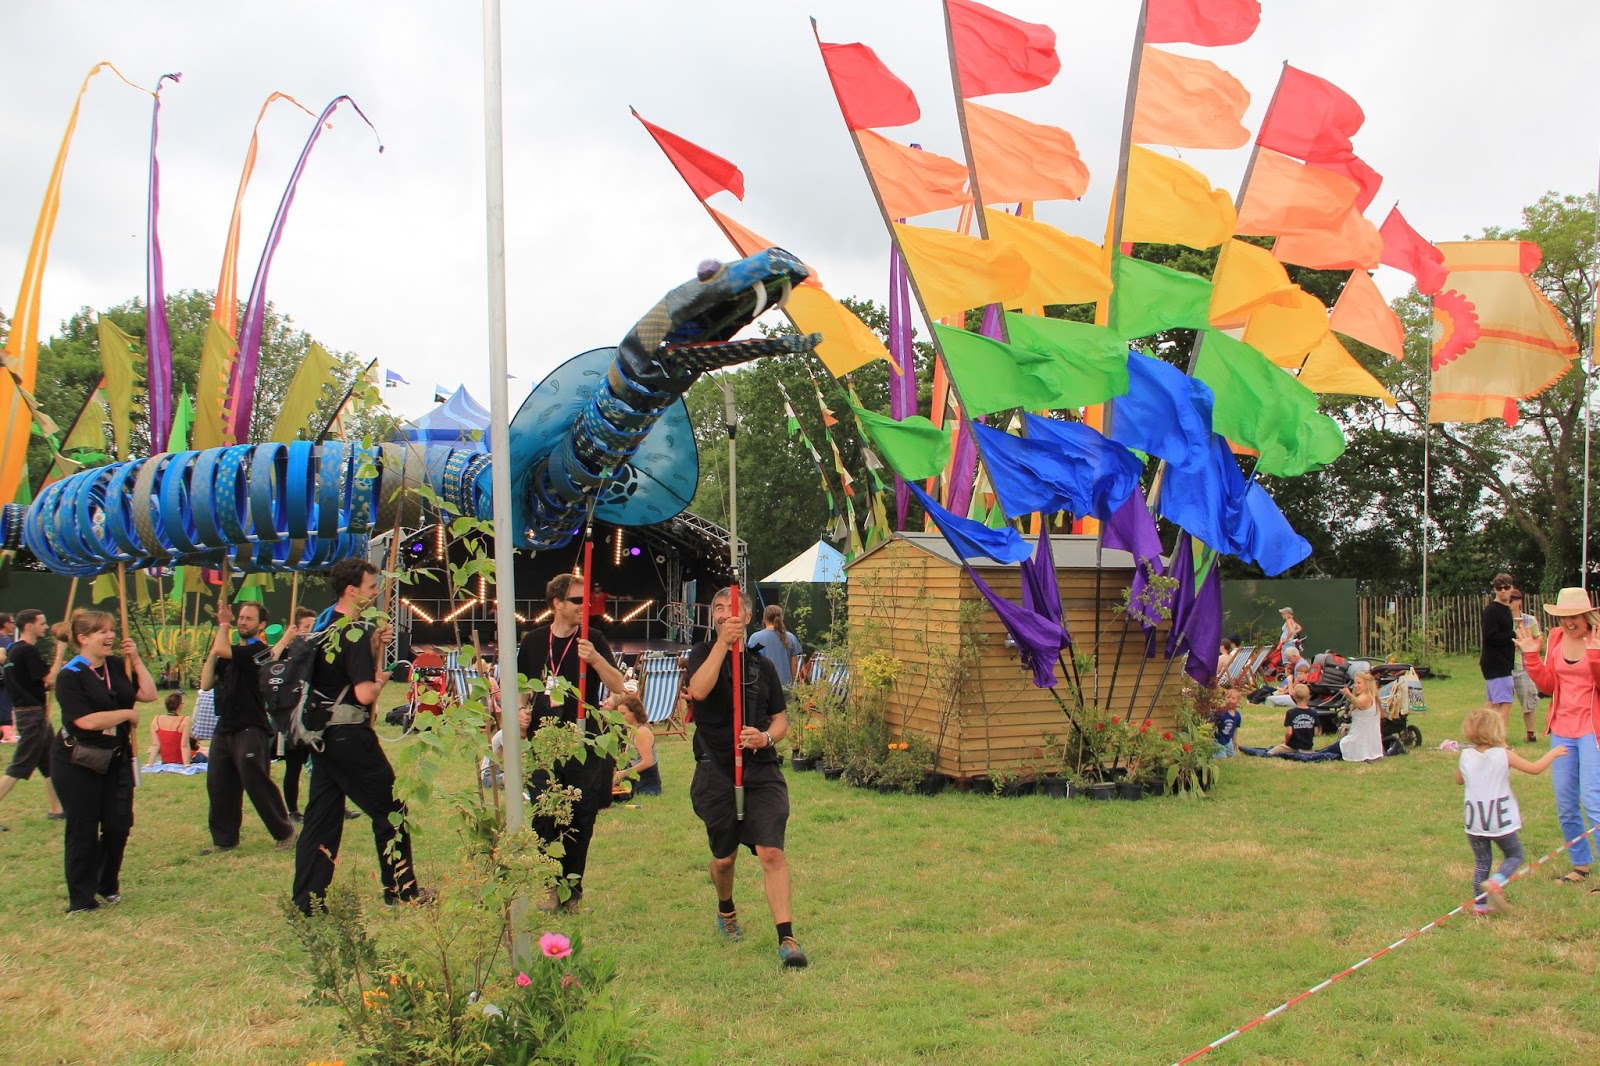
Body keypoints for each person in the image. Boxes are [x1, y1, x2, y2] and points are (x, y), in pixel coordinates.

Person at [292, 558, 432, 915]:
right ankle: (401, 889)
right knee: (391, 810)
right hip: (350, 736)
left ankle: (307, 900)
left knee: (322, 818)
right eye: (371, 587)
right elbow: (365, 693)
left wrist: (372, 645)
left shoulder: (326, 627)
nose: (375, 593)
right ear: (352, 590)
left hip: (323, 735)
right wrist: (382, 677)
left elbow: (334, 676)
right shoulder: (350, 631)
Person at [685, 586, 807, 968]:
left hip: (760, 768)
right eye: (717, 608)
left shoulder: (762, 666)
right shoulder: (702, 654)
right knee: (724, 859)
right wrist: (722, 645)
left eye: (731, 608)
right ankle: (726, 910)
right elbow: (699, 692)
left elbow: (780, 720)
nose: (723, 614)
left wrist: (766, 737)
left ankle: (787, 938)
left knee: (771, 850)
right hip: (715, 768)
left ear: (747, 617)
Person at [516, 573, 628, 912]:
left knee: (581, 817)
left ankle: (572, 891)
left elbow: (619, 685)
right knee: (545, 815)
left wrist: (594, 658)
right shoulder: (534, 641)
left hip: (584, 742)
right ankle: (549, 887)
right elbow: (524, 687)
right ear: (557, 604)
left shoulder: (592, 639)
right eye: (577, 601)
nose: (585, 606)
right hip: (544, 743)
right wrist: (520, 713)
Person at [50, 611, 157, 913]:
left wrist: (135, 659)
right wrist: (125, 714)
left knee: (118, 824)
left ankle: (107, 883)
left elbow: (148, 694)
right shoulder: (69, 675)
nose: (111, 636)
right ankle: (81, 899)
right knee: (83, 827)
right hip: (78, 760)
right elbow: (84, 720)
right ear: (83, 639)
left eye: (111, 630)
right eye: (102, 632)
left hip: (116, 758)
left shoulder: (115, 665)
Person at [1515, 586, 1600, 887]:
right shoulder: (1555, 638)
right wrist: (1531, 658)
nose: (1568, 623)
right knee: (1565, 802)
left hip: (1592, 730)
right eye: (1563, 617)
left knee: (1593, 800)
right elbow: (1548, 685)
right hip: (1562, 729)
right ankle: (1580, 864)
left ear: (1586, 615)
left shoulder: (1598, 638)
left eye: (1574, 617)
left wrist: (1594, 655)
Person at [201, 601, 294, 853]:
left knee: (256, 781)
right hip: (225, 727)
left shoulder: (257, 652)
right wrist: (214, 651)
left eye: (248, 619)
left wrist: (223, 623)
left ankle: (284, 831)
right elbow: (206, 682)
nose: (242, 622)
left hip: (250, 727)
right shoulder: (228, 652)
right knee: (219, 784)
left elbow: (226, 650)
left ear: (261, 625)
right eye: (240, 618)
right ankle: (224, 840)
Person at [1455, 706, 1565, 915]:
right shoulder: (1503, 755)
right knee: (1514, 854)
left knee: (1482, 862)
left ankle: (1479, 907)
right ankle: (1496, 882)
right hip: (1500, 820)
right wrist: (1553, 753)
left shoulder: (1465, 755)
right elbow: (1534, 769)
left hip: (1475, 821)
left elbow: (1459, 780)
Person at [0, 609, 64, 828]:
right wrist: (60, 652)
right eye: (42, 623)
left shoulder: (13, 650)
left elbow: (40, 683)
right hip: (32, 715)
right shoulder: (27, 651)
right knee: (20, 766)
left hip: (31, 712)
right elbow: (50, 678)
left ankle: (57, 809)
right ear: (29, 626)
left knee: (50, 762)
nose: (46, 627)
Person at [276, 607, 322, 823]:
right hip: (294, 716)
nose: (311, 632)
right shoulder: (288, 655)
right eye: (307, 628)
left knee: (325, 765)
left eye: (314, 628)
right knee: (293, 766)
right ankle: (292, 810)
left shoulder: (319, 652)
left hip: (315, 714)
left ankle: (330, 806)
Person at [1481, 574, 1517, 732]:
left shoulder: (1505, 610)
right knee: (1505, 702)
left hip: (1502, 661)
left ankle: (1480, 733)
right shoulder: (1492, 611)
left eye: (1506, 588)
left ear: (1512, 588)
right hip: (1496, 663)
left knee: (1492, 703)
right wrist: (1513, 635)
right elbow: (1491, 637)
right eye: (1499, 588)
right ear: (1494, 590)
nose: (1503, 591)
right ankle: (1499, 739)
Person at [1509, 589, 1543, 743]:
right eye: (1508, 600)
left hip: (1525, 666)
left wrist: (1529, 645)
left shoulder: (1530, 620)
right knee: (1501, 703)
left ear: (1519, 601)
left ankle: (1531, 734)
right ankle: (1497, 736)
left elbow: (1539, 640)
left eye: (1512, 600)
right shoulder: (1501, 619)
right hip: (1505, 666)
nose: (1509, 603)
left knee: (1529, 701)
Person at [611, 692, 661, 796]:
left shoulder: (641, 732)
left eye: (623, 714)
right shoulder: (630, 729)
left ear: (634, 713)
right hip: (634, 775)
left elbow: (648, 762)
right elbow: (627, 757)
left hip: (646, 779)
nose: (620, 718)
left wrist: (623, 773)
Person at [747, 606, 803, 692]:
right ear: (782, 618)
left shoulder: (755, 637)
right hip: (785, 687)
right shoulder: (791, 637)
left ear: (764, 618)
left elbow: (751, 664)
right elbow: (794, 664)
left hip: (763, 687)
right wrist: (793, 684)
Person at [1338, 671, 1385, 763]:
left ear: (1367, 684)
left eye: (1359, 683)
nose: (1355, 685)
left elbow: (1358, 703)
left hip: (1357, 743)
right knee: (1328, 753)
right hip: (1366, 744)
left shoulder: (1366, 698)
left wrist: (1348, 695)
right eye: (1355, 683)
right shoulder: (1373, 698)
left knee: (1321, 754)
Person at [145, 692, 203, 766]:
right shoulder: (184, 720)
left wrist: (150, 764)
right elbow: (184, 745)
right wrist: (187, 765)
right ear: (179, 706)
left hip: (166, 760)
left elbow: (155, 745)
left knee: (202, 749)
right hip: (182, 759)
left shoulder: (156, 719)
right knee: (205, 753)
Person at [1267, 685, 1317, 755]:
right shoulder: (1313, 713)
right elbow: (1316, 732)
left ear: (1294, 697)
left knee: (1270, 752)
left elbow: (1289, 733)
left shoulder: (1291, 712)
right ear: (1309, 696)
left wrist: (1286, 742)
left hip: (1292, 746)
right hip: (1307, 747)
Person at [1211, 687, 1241, 758]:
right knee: (1222, 756)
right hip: (1217, 739)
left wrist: (1234, 740)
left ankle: (1223, 750)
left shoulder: (1237, 715)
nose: (1230, 700)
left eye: (1233, 698)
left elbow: (1236, 728)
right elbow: (1212, 724)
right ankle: (1212, 753)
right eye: (1228, 697)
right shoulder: (1220, 712)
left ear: (1237, 702)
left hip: (1227, 740)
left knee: (1232, 755)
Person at [0, 612, 15, 743]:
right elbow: (1, 657)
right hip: (3, 679)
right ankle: (7, 736)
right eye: (12, 623)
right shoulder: (5, 640)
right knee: (5, 704)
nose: (14, 626)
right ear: (6, 624)